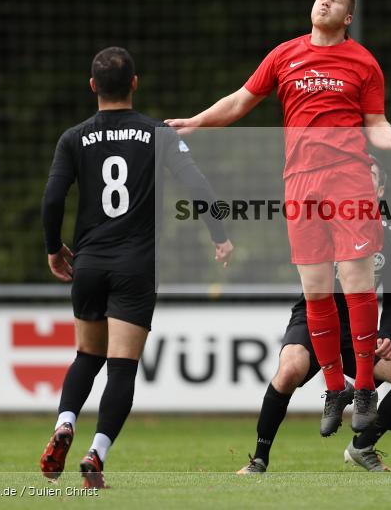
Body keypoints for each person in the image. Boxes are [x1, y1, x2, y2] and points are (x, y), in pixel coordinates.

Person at [166, 0, 391, 435]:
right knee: (317, 289)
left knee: (355, 281)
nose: (325, 0)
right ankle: (335, 389)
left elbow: (375, 124)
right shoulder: (285, 54)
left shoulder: (363, 62)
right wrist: (197, 122)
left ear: (348, 16)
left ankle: (363, 388)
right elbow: (241, 100)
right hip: (300, 183)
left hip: (348, 178)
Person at [39, 47, 233, 489]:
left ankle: (65, 423)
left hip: (88, 262)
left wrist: (54, 248)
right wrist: (218, 235)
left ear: (92, 87)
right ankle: (96, 453)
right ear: (135, 83)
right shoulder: (158, 134)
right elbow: (197, 183)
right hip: (135, 265)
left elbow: (52, 199)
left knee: (86, 356)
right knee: (121, 367)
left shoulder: (73, 137)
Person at [237, 157, 391, 473]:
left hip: (360, 330)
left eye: (367, 175)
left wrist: (384, 333)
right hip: (314, 320)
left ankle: (363, 447)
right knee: (289, 371)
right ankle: (259, 459)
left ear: (379, 190)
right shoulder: (321, 224)